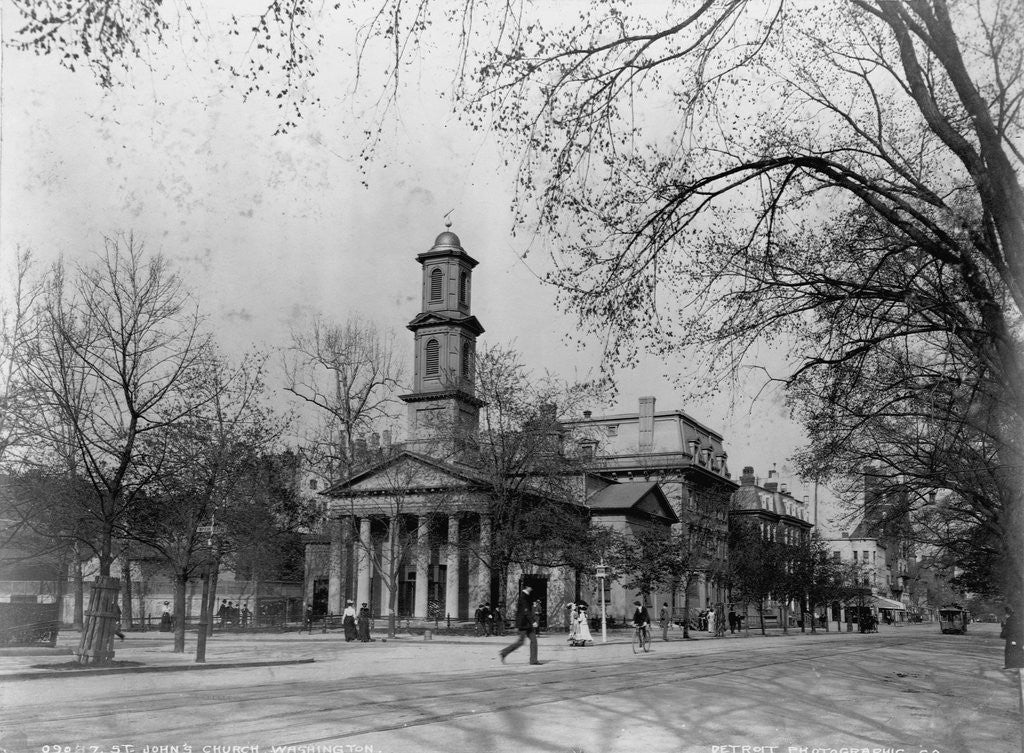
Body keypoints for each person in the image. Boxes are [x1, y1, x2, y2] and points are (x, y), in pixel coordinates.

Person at [499, 585, 539, 665]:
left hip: (526, 623)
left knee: (533, 640)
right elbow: (526, 611)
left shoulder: (526, 596)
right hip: (524, 623)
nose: (531, 589)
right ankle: (504, 652)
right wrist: (533, 622)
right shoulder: (523, 596)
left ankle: (533, 660)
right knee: (521, 642)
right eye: (530, 587)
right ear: (527, 587)